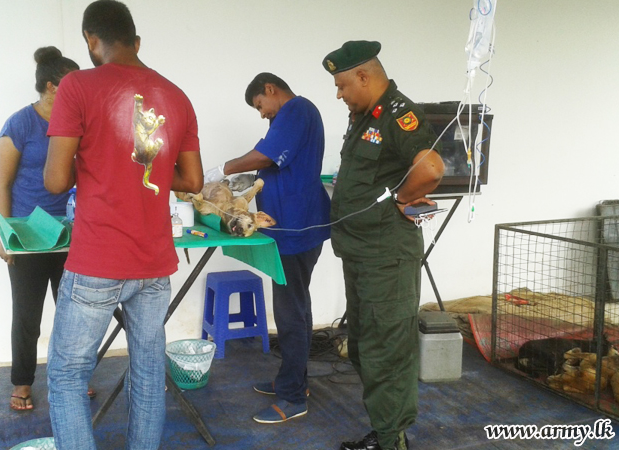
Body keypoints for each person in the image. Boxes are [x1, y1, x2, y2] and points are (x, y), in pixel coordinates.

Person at [43, 1, 203, 448]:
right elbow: (192, 180)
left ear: (91, 40)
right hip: (153, 264)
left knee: (68, 375)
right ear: (136, 41)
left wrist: (94, 159)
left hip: (98, 260)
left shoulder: (78, 86)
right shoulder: (176, 96)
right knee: (148, 374)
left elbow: (54, 180)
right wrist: (145, 167)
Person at [322, 41, 445, 450]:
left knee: (386, 352)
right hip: (360, 254)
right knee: (363, 348)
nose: (339, 94)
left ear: (363, 76)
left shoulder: (398, 114)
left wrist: (402, 198)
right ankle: (387, 429)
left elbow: (431, 168)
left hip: (386, 258)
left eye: (341, 85)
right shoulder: (364, 116)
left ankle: (392, 441)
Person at [204, 73, 331, 424]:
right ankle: (293, 380)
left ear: (270, 90)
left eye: (260, 105)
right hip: (290, 225)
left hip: (296, 226)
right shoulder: (286, 118)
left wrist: (222, 169)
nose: (261, 114)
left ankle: (293, 397)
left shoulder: (297, 110)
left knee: (290, 312)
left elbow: (265, 156)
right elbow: (272, 165)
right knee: (296, 305)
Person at [0, 46, 80, 411]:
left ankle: (73, 377)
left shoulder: (77, 123)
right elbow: (2, 184)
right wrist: (5, 237)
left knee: (73, 315)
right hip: (28, 236)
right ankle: (23, 382)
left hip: (70, 233)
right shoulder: (20, 124)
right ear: (50, 87)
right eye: (72, 85)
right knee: (27, 315)